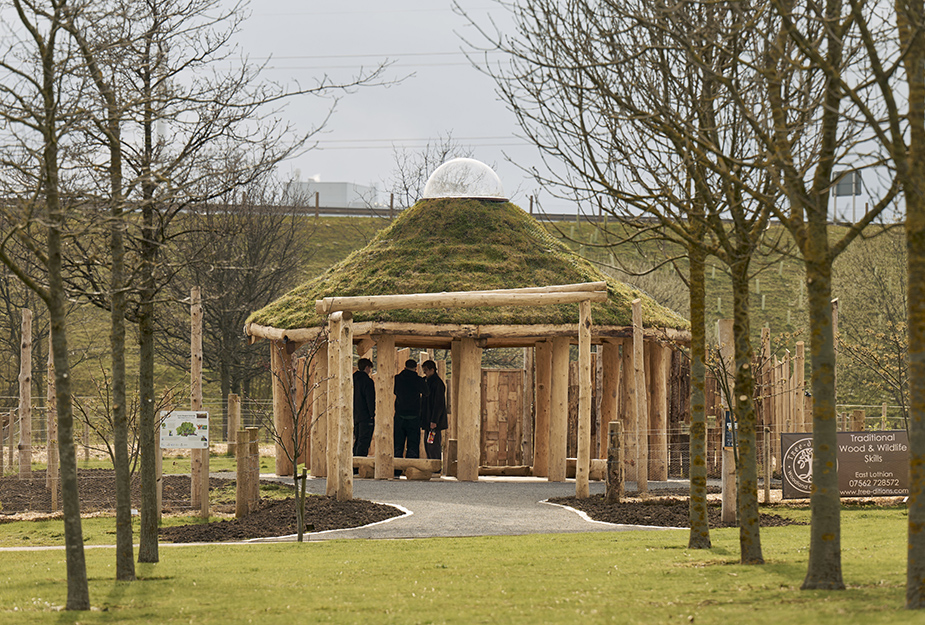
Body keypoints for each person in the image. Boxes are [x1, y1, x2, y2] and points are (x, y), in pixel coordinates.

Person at [393, 358, 429, 467]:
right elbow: (426, 392)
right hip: (414, 415)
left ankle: (397, 469)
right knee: (413, 444)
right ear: (415, 368)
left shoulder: (398, 378)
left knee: (398, 444)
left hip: (399, 415)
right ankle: (411, 468)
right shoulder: (418, 380)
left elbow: (395, 391)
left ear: (405, 367)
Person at [352, 358, 376, 460]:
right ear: (367, 367)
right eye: (370, 368)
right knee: (364, 441)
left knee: (357, 440)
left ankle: (354, 464)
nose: (370, 371)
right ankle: (359, 464)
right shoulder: (367, 381)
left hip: (355, 415)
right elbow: (370, 399)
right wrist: (372, 414)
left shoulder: (353, 379)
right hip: (365, 416)